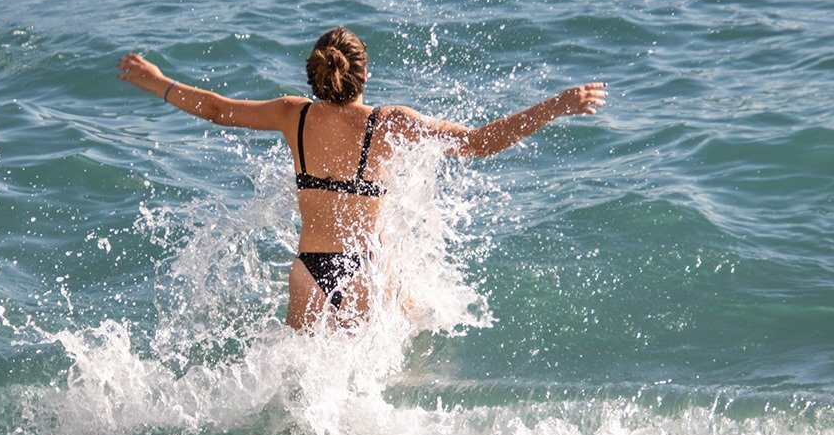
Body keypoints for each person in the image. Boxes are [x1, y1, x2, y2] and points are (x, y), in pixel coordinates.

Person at [117, 26, 606, 328]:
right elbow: (479, 143)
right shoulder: (387, 123)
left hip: (308, 271)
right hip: (364, 272)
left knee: (301, 394)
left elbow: (220, 110)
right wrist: (558, 105)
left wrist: (158, 81)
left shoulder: (294, 115)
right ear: (363, 76)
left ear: (314, 76)